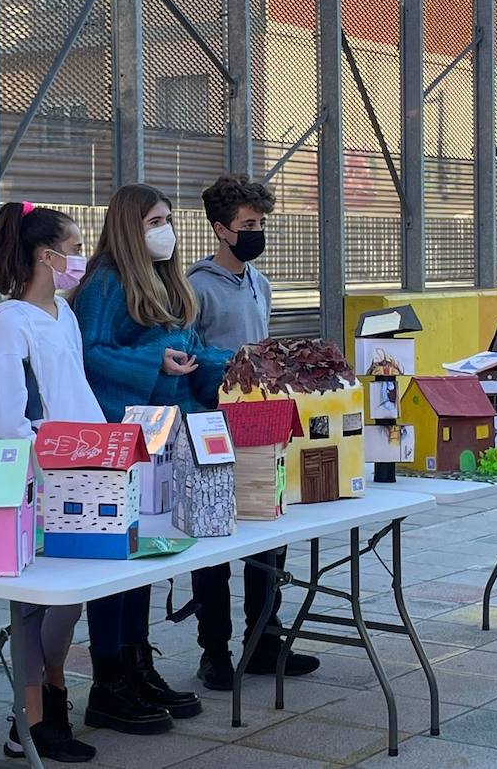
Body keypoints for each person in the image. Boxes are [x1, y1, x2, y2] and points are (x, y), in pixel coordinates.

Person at [72, 183, 231, 730]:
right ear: (128, 227)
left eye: (166, 218)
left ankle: (136, 663)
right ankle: (108, 679)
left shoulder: (167, 280)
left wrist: (230, 364)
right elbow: (89, 354)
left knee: (142, 560)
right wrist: (152, 362)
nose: (165, 229)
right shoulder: (104, 283)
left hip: (165, 436)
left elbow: (192, 349)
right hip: (123, 438)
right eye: (154, 221)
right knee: (118, 558)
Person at [0, 201, 100, 762]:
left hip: (83, 473)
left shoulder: (64, 316)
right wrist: (54, 452)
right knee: (31, 604)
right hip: (35, 478)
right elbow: (4, 416)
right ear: (47, 256)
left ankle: (51, 694)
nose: (81, 259)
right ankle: (32, 717)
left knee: (68, 599)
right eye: (74, 250)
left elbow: (73, 392)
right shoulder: (8, 323)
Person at [183, 175, 320, 690]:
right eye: (247, 225)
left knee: (270, 537)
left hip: (262, 424)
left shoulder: (260, 283)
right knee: (216, 542)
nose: (256, 232)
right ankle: (213, 651)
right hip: (213, 424)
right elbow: (192, 360)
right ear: (220, 229)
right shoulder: (195, 288)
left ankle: (265, 640)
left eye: (261, 223)